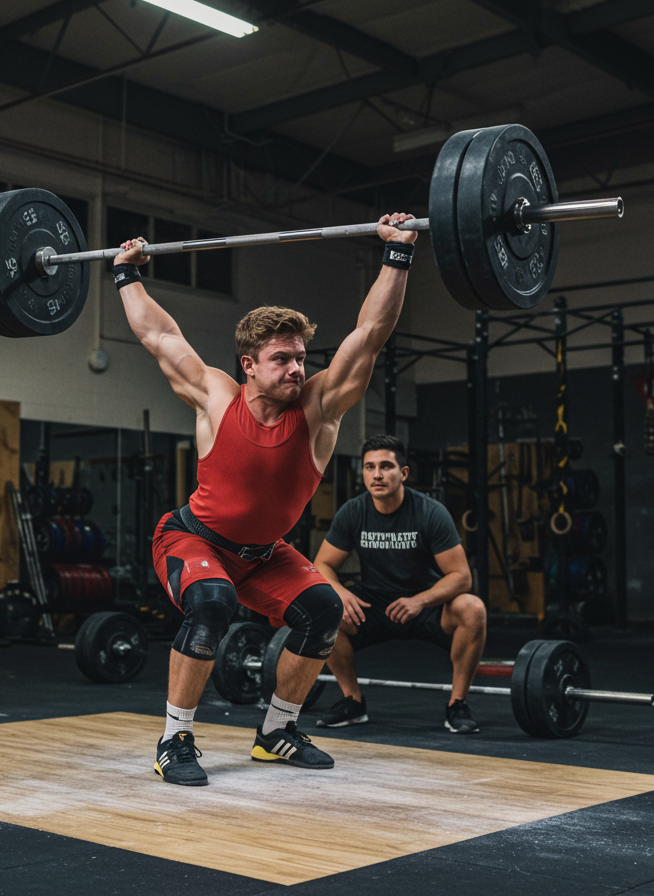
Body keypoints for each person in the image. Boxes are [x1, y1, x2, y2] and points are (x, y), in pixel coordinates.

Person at [113, 215, 418, 786]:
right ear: (249, 364)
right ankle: (174, 738)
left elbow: (370, 334)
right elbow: (160, 337)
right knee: (210, 603)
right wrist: (126, 275)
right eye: (282, 358)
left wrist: (397, 255)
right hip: (192, 538)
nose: (296, 368)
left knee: (323, 609)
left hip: (262, 553)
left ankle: (277, 731)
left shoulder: (319, 407)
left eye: (300, 356)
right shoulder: (215, 396)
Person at [313, 434, 488, 733]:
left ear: (404, 473)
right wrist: (340, 593)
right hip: (373, 605)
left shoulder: (430, 513)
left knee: (473, 608)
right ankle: (352, 701)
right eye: (369, 467)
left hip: (425, 605)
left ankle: (456, 704)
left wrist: (420, 600)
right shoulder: (354, 512)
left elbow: (461, 577)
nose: (377, 475)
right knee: (321, 609)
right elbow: (322, 565)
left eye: (385, 466)